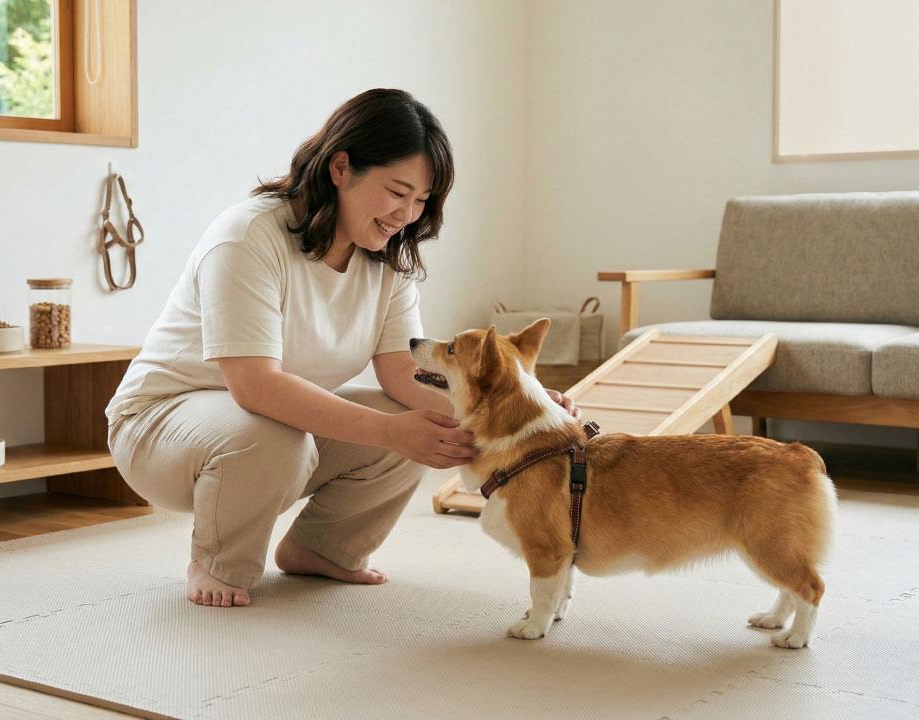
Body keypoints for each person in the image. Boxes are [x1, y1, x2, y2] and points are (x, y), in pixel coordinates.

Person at [105, 88, 578, 608]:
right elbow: (255, 385)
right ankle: (217, 562)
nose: (407, 213)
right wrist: (388, 431)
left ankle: (324, 549)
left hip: (269, 425)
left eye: (421, 200)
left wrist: (524, 408)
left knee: (431, 423)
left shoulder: (385, 262)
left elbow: (404, 374)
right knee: (285, 437)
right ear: (341, 167)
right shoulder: (247, 237)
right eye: (397, 192)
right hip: (159, 428)